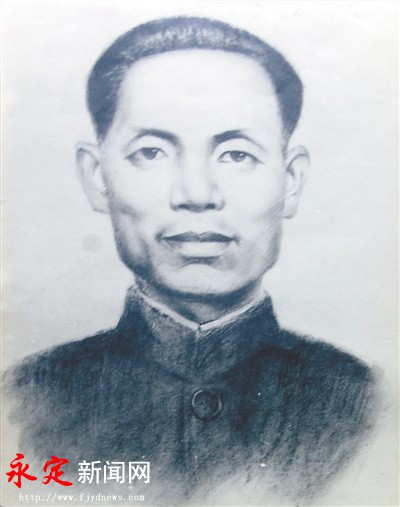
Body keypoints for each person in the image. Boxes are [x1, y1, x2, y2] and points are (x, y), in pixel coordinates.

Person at [4, 16, 376, 504]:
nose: (197, 194)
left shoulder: (371, 405)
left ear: (291, 181)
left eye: (237, 155)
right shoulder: (23, 400)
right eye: (151, 152)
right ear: (97, 177)